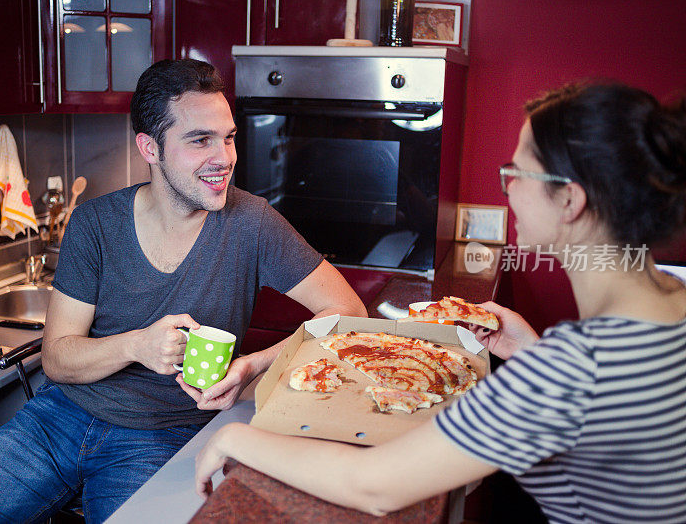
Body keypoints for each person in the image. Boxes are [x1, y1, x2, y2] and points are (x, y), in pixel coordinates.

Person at [194, 83, 686, 524]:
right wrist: (531, 351)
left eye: (517, 171)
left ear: (569, 200)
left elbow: (373, 485)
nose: (508, 187)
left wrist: (233, 438)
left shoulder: (577, 364)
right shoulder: (670, 304)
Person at [0, 59, 366, 523]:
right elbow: (58, 360)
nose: (224, 157)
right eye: (200, 140)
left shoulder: (252, 222)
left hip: (161, 437)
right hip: (57, 422)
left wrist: (252, 366)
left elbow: (348, 311)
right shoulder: (95, 224)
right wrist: (138, 345)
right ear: (150, 147)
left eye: (228, 137)